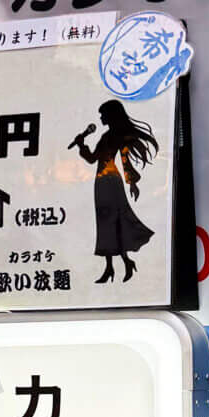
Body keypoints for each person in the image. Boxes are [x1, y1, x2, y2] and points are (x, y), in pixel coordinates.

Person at [69, 99, 158, 283]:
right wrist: (81, 144)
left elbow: (124, 158)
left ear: (110, 115)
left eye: (103, 114)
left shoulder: (117, 136)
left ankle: (124, 262)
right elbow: (92, 159)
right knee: (105, 224)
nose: (101, 117)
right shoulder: (105, 136)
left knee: (115, 222)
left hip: (111, 182)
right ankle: (111, 267)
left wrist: (131, 182)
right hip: (100, 183)